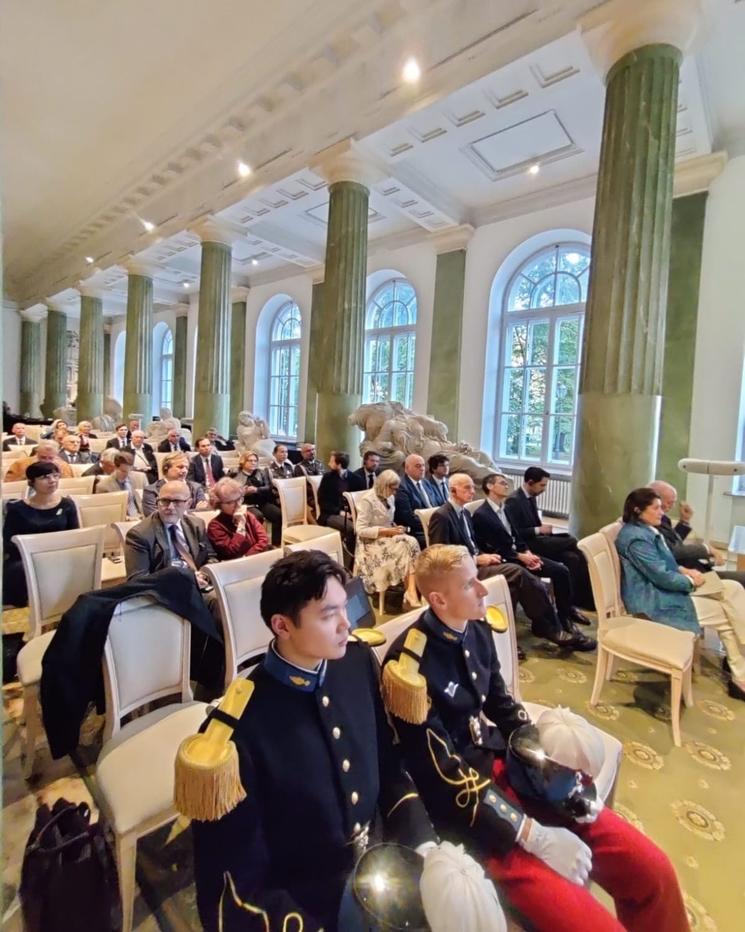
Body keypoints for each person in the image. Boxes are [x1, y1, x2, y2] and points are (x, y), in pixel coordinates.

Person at [382, 544, 688, 932]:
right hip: (473, 812)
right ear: (439, 598)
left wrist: (550, 771)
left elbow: (504, 708)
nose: (482, 589)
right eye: (469, 584)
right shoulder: (407, 667)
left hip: (510, 767)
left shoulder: (474, 627)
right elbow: (441, 773)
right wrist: (529, 833)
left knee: (654, 872)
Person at [191, 550, 443, 932]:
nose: (346, 624)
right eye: (328, 615)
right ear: (283, 625)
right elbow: (237, 891)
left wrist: (423, 844)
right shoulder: (235, 734)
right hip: (308, 905)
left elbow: (388, 766)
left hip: (384, 867)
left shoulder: (356, 663)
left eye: (344, 608)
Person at [430, 474, 594, 652]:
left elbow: (475, 545)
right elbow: (440, 557)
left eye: (471, 487)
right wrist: (477, 559)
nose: (472, 491)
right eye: (467, 488)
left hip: (480, 562)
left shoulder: (464, 513)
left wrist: (488, 555)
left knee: (518, 582)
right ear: (453, 491)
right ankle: (548, 628)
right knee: (518, 572)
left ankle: (510, 637)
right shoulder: (443, 516)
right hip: (465, 571)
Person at [616, 487, 745, 700]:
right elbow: (661, 577)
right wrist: (690, 581)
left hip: (665, 587)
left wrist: (685, 571)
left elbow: (665, 562)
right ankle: (740, 677)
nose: (662, 512)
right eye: (656, 508)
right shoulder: (636, 538)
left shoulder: (647, 529)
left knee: (734, 589)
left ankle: (740, 671)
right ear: (638, 510)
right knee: (726, 614)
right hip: (654, 600)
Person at [474, 473, 591, 628]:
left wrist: (528, 553)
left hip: (520, 554)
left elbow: (517, 536)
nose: (507, 486)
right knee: (538, 584)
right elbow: (493, 548)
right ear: (490, 487)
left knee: (562, 570)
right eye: (502, 483)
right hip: (507, 559)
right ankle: (547, 626)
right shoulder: (482, 514)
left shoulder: (505, 509)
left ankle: (565, 615)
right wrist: (521, 557)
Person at [504, 466, 593, 609]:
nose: (544, 489)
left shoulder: (530, 497)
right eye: (542, 485)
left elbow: (532, 523)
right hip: (529, 545)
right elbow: (515, 532)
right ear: (530, 482)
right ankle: (582, 598)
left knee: (574, 557)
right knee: (572, 540)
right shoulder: (513, 501)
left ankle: (578, 599)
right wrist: (538, 530)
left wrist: (540, 528)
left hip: (539, 540)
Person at [2, 462, 80, 607]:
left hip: (59, 556)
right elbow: (9, 542)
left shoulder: (67, 504)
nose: (52, 481)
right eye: (45, 477)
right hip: (26, 559)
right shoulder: (17, 509)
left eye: (55, 476)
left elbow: (75, 536)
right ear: (32, 482)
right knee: (16, 570)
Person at [649, 480, 745, 587]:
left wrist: (684, 521)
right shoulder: (646, 526)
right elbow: (672, 551)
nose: (672, 506)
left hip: (698, 570)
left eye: (674, 502)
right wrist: (706, 549)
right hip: (690, 577)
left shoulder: (663, 518)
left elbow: (672, 542)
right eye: (669, 502)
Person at [355, 469, 421, 609]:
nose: (395, 492)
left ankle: (411, 591)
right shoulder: (368, 500)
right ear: (385, 485)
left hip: (387, 535)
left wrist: (396, 528)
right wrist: (388, 531)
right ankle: (411, 592)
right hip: (371, 541)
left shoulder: (390, 497)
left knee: (411, 542)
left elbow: (388, 520)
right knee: (407, 545)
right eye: (394, 489)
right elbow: (360, 530)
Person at [207, 477, 269, 560]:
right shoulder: (215, 526)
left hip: (256, 558)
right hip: (233, 566)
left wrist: (248, 557)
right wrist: (241, 527)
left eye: (239, 499)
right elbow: (230, 552)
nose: (238, 505)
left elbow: (263, 539)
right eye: (230, 502)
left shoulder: (248, 515)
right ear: (219, 504)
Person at [317, 450, 362, 555]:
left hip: (353, 513)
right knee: (351, 529)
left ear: (339, 465)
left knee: (363, 526)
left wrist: (353, 514)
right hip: (331, 513)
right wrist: (340, 512)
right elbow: (322, 501)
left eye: (331, 461)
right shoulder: (327, 478)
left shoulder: (356, 479)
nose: (328, 463)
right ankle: (350, 558)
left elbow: (360, 500)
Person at [142, 452, 208, 516]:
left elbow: (203, 512)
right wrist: (192, 511)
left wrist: (171, 512)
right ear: (166, 468)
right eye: (180, 467)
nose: (185, 471)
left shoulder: (196, 488)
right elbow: (154, 517)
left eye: (186, 468)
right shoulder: (151, 491)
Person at [394, 454, 434, 548]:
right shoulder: (401, 487)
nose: (422, 469)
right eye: (418, 466)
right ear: (407, 468)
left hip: (432, 525)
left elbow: (434, 505)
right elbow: (408, 517)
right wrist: (431, 525)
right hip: (415, 530)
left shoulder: (426, 483)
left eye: (423, 465)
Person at [95, 452, 143, 518]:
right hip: (123, 521)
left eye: (130, 471)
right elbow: (105, 513)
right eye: (123, 471)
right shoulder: (103, 486)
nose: (127, 474)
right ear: (115, 467)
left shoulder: (139, 478)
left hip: (141, 518)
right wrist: (127, 519)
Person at [228, 450, 273, 517]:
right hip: (244, 504)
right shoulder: (234, 473)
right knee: (258, 515)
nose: (253, 463)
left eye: (255, 461)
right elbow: (227, 491)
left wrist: (257, 489)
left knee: (278, 514)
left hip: (261, 502)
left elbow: (269, 487)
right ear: (243, 461)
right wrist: (243, 492)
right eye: (250, 461)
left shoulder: (261, 472)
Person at [4, 440, 73, 481]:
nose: (46, 461)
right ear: (37, 453)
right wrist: (27, 475)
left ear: (56, 455)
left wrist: (59, 473)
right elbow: (9, 486)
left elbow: (69, 486)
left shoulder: (64, 466)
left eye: (50, 458)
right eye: (43, 457)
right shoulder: (20, 464)